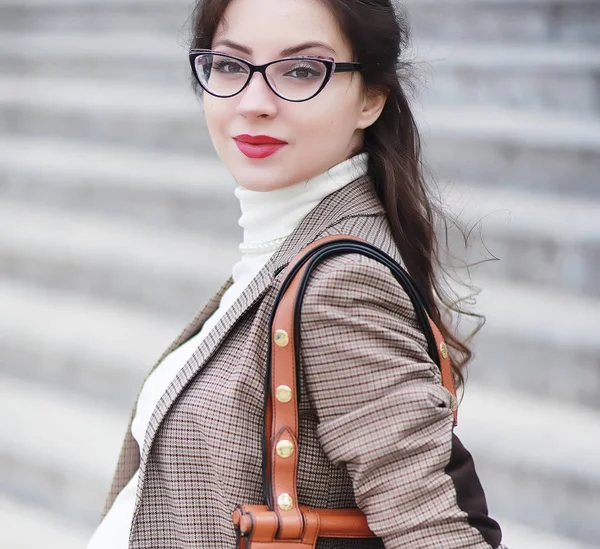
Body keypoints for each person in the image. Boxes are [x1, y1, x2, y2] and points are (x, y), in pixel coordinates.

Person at [88, 0, 506, 547]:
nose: (254, 103)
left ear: (372, 98)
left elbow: (435, 531)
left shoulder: (342, 282)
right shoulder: (288, 249)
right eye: (231, 65)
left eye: (303, 70)